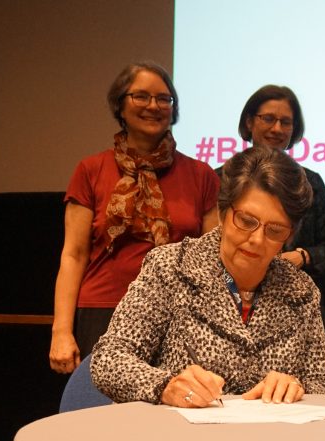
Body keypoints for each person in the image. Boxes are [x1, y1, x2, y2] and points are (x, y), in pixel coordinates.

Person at [90, 145, 325, 407]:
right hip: (183, 438)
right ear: (222, 213)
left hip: (269, 440)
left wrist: (296, 387)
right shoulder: (171, 267)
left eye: (275, 230)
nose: (256, 240)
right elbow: (109, 359)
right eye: (246, 220)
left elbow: (322, 385)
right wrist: (165, 386)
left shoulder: (300, 291)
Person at [49, 61, 220, 374]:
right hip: (104, 310)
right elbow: (73, 255)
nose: (153, 106)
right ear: (120, 105)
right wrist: (61, 331)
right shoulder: (90, 170)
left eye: (163, 99)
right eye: (141, 96)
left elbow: (214, 258)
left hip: (179, 313)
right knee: (101, 417)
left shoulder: (201, 175)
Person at [226, 85, 325, 310]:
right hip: (230, 303)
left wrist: (304, 255)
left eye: (286, 122)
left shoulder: (310, 183)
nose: (277, 128)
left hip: (295, 307)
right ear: (250, 122)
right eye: (268, 118)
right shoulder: (225, 177)